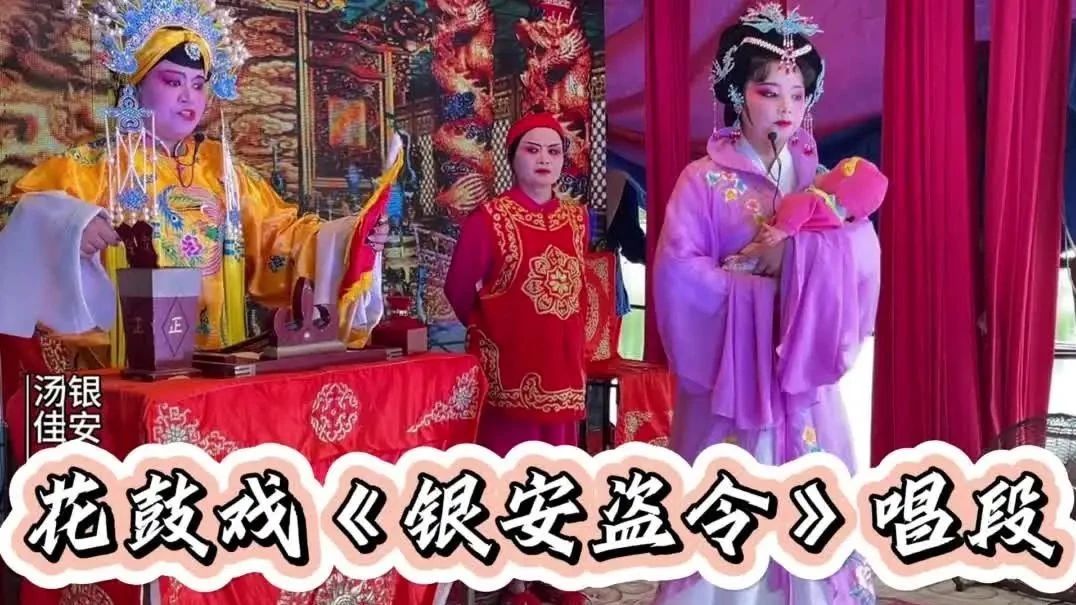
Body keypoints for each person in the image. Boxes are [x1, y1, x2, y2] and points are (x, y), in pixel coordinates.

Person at [0, 2, 403, 366]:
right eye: (172, 82)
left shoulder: (224, 171)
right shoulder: (92, 167)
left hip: (216, 365)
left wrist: (351, 238)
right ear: (136, 86)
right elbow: (22, 217)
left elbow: (279, 239)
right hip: (118, 370)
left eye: (197, 84)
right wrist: (71, 227)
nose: (188, 97)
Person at [653, 3, 881, 604]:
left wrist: (794, 260)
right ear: (738, 94)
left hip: (802, 386)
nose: (785, 107)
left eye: (797, 93)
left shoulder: (823, 182)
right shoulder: (701, 180)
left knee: (811, 506)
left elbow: (862, 256)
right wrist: (760, 292)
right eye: (768, 90)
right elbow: (678, 276)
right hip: (732, 380)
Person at [444, 112, 589, 605]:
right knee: (514, 476)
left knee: (558, 475)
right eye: (533, 149)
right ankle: (515, 584)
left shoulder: (576, 218)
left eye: (554, 151)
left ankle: (553, 571)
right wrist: (490, 331)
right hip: (511, 372)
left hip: (563, 370)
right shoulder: (491, 218)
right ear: (513, 158)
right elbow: (458, 288)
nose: (544, 159)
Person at [722, 155, 888, 272]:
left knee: (755, 253)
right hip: (788, 255)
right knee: (755, 254)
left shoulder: (819, 201)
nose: (822, 173)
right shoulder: (842, 223)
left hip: (778, 243)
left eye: (831, 174)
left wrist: (782, 230)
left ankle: (741, 262)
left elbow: (796, 204)